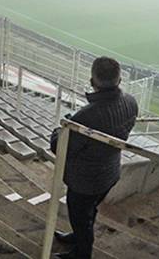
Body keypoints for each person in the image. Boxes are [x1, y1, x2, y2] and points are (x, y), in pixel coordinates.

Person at [49, 57, 138, 259]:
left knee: (80, 215)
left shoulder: (86, 117)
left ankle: (82, 253)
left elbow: (58, 146)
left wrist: (61, 127)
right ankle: (78, 237)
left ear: (92, 81)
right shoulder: (131, 103)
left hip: (85, 182)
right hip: (110, 174)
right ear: (120, 79)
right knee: (89, 211)